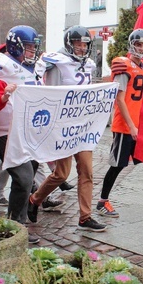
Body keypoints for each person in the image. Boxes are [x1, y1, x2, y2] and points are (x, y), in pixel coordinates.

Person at [27, 25, 107, 232]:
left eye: (85, 44)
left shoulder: (89, 64)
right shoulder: (56, 61)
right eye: (78, 44)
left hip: (83, 126)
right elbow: (43, 78)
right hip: (63, 125)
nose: (82, 48)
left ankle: (85, 216)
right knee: (61, 174)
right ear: (69, 44)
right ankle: (35, 199)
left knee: (87, 171)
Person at [96, 28, 143, 219]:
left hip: (141, 126)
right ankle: (102, 201)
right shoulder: (124, 66)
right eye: (138, 44)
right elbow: (120, 99)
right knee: (118, 165)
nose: (141, 48)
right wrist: (131, 126)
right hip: (125, 126)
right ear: (131, 45)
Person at [0, 25, 45, 244]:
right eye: (28, 47)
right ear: (16, 45)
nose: (31, 51)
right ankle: (17, 227)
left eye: (33, 47)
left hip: (30, 131)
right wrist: (4, 96)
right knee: (24, 177)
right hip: (6, 131)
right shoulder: (1, 65)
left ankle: (14, 223)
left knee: (26, 180)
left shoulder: (32, 67)